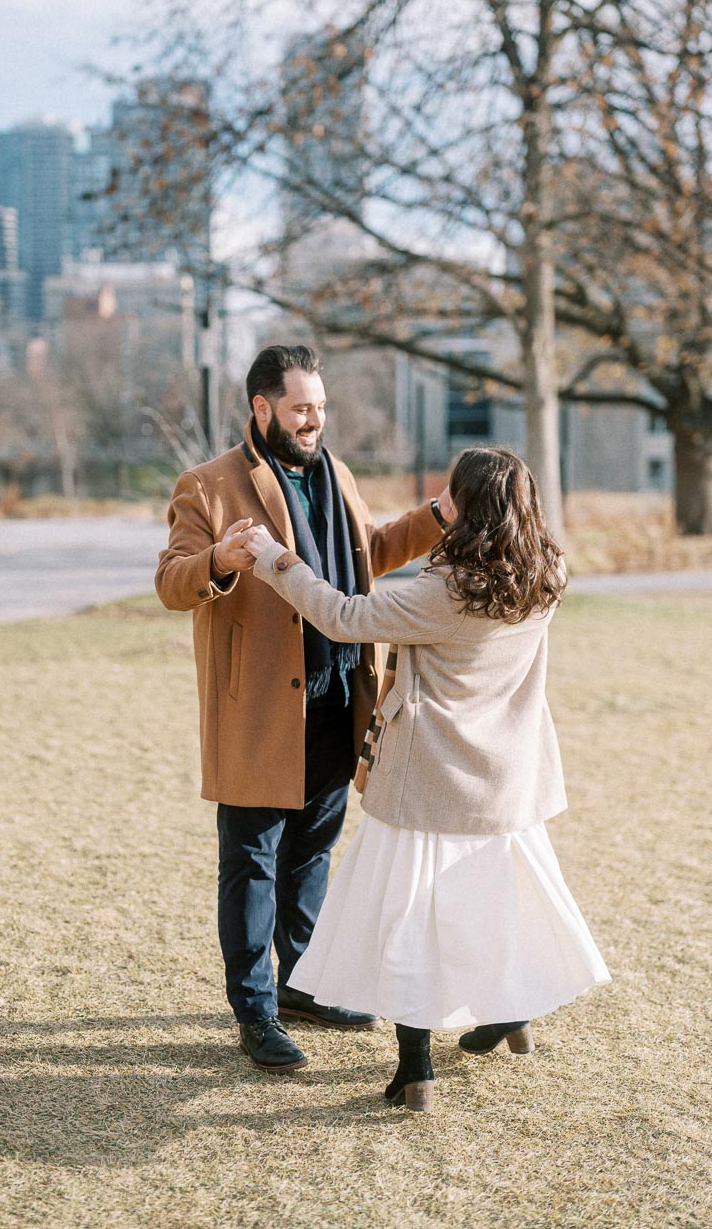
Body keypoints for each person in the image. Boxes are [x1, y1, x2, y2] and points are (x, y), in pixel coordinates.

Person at [244, 444, 610, 1111]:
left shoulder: (445, 593)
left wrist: (277, 562)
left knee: (409, 920)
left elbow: (343, 617)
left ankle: (416, 1072)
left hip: (431, 780)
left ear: (468, 506)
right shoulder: (547, 574)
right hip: (507, 780)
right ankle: (510, 1014)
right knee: (503, 902)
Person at [155, 344, 451, 1072]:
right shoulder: (206, 485)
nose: (315, 419)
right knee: (251, 862)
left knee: (312, 852)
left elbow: (369, 552)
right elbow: (170, 582)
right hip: (257, 708)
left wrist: (438, 515)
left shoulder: (337, 474)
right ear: (262, 408)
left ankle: (303, 985)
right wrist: (220, 561)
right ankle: (255, 1010)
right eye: (301, 407)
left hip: (341, 698)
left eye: (319, 406)